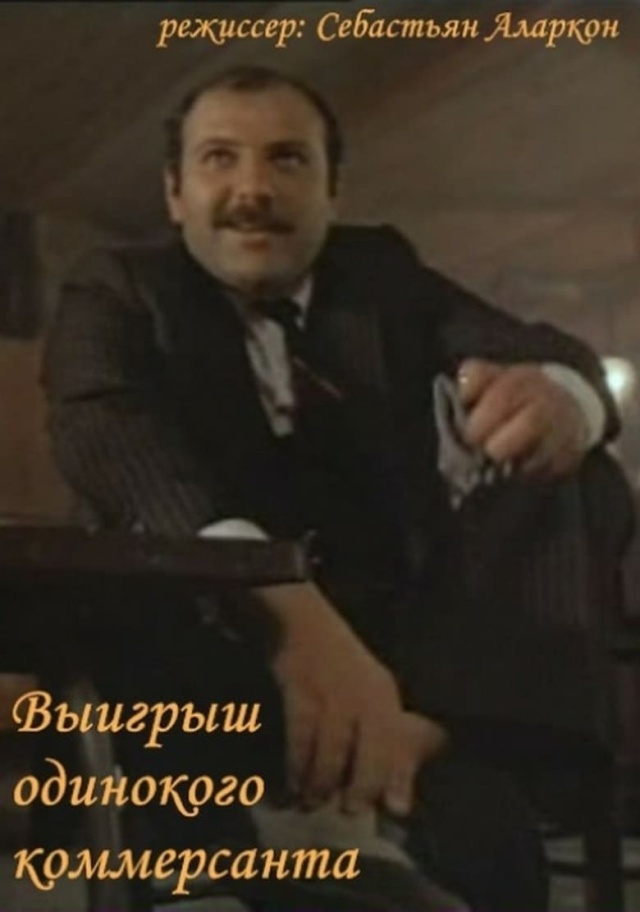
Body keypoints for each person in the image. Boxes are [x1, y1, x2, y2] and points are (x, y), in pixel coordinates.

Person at [41, 65, 620, 911]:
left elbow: (543, 351)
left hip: (400, 670)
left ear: (331, 189)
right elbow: (117, 448)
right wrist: (289, 613)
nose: (252, 190)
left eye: (286, 159)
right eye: (219, 158)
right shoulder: (116, 289)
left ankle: (423, 757)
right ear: (173, 193)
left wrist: (567, 399)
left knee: (573, 464)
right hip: (196, 655)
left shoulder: (378, 271)